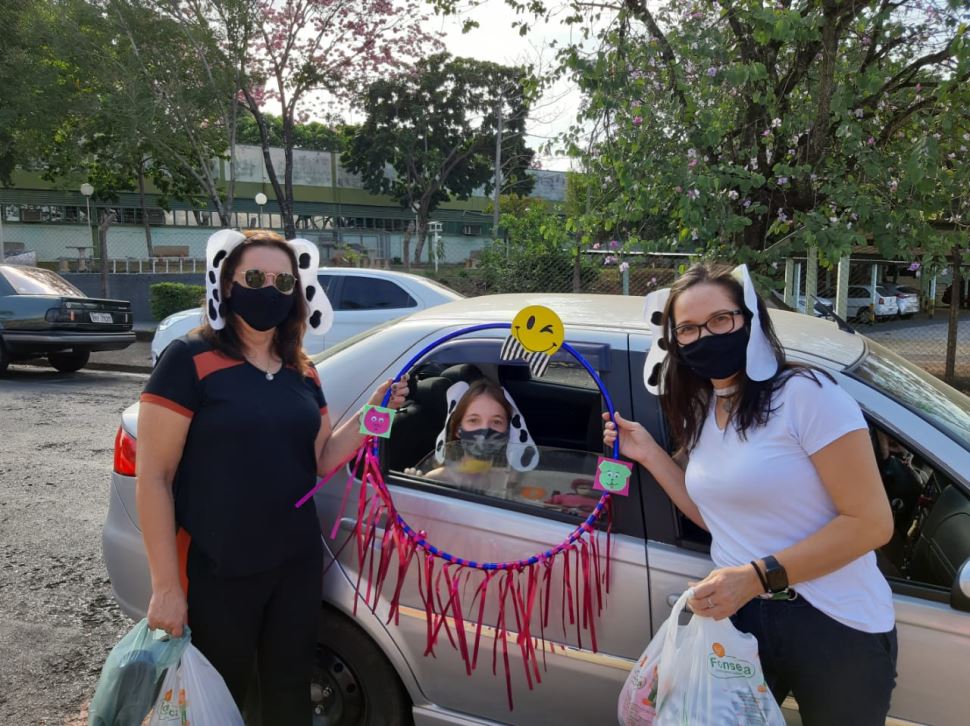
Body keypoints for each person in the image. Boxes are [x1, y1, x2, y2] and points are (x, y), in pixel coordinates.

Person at [604, 263, 897, 725]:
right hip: (741, 621)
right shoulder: (705, 409)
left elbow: (872, 523)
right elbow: (715, 516)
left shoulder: (805, 394)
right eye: (688, 329)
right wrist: (646, 452)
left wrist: (758, 577)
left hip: (837, 623)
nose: (706, 336)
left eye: (720, 320)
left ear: (750, 319)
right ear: (675, 343)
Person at [136, 229, 407, 724]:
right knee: (217, 699)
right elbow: (153, 476)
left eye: (285, 281)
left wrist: (376, 409)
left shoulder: (301, 372)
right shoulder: (190, 359)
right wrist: (166, 587)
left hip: (295, 567)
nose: (271, 289)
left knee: (287, 694)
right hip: (218, 571)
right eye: (255, 277)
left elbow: (322, 460)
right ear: (227, 284)